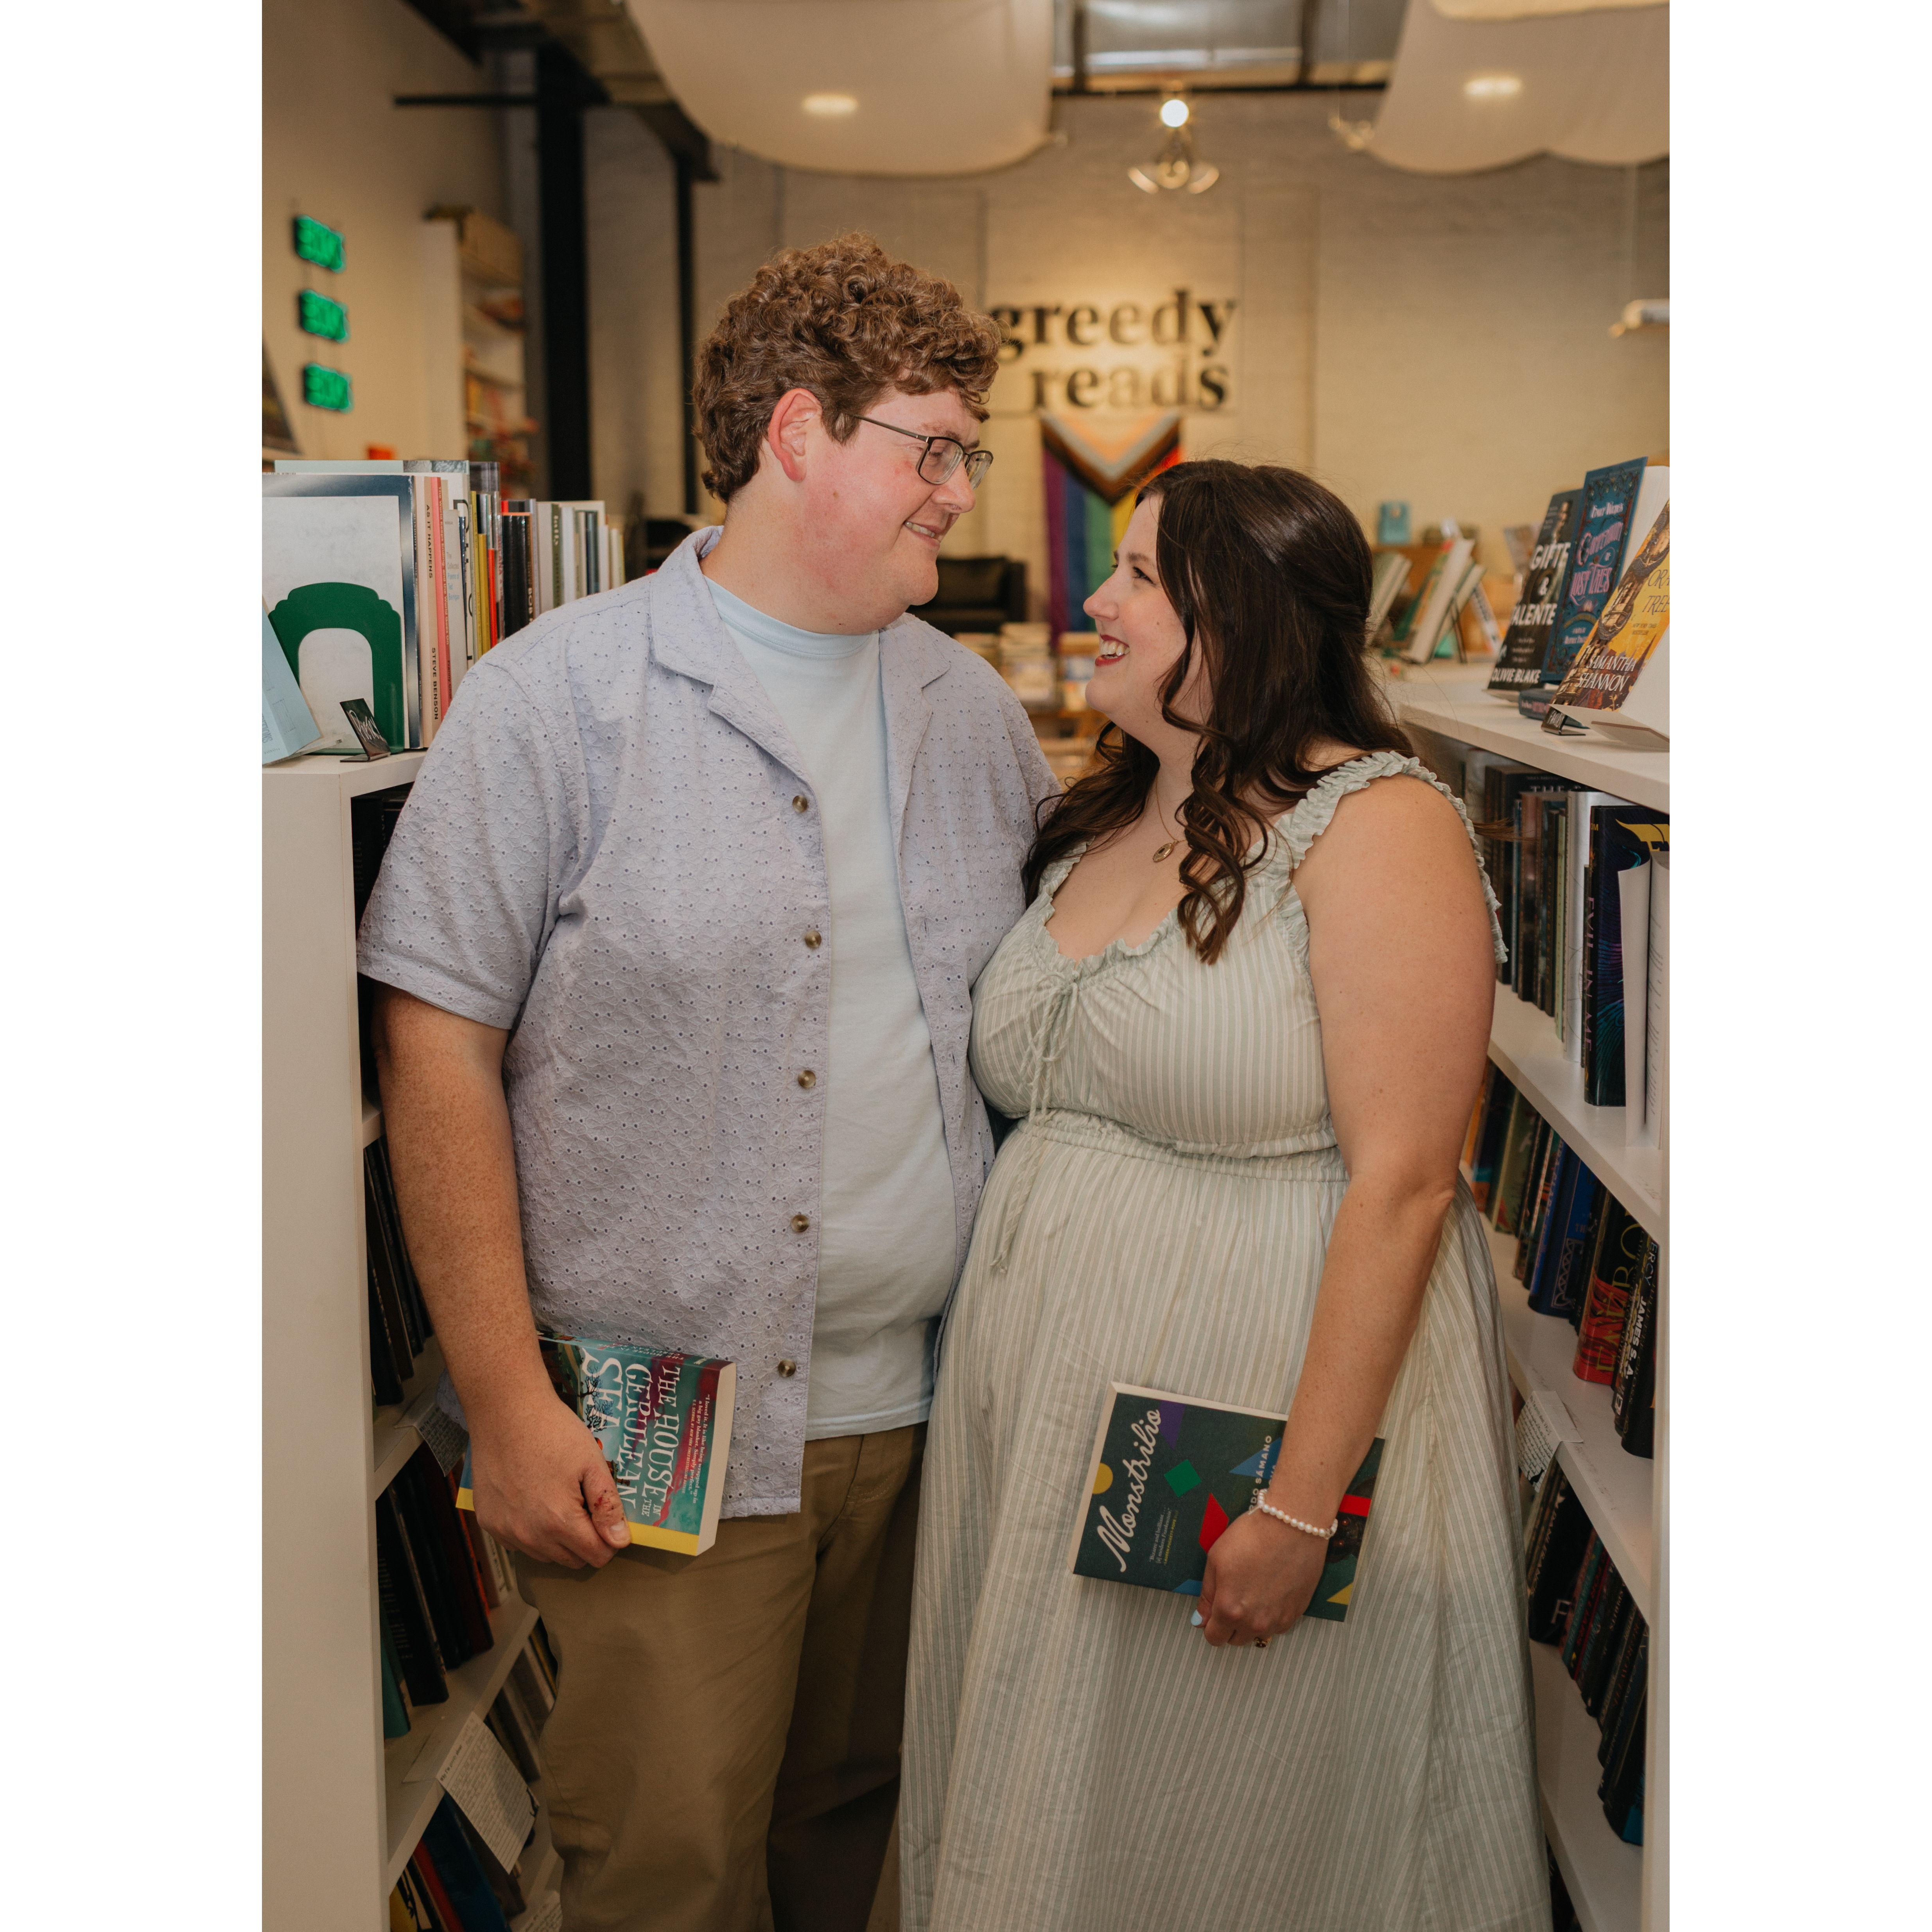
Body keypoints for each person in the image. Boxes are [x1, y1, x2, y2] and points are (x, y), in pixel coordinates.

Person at [358, 234, 1058, 1932]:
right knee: (664, 1868)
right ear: (800, 432)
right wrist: (504, 1394)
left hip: (933, 1412)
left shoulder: (971, 714)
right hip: (658, 1427)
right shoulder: (557, 699)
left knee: (857, 1843)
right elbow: (437, 1042)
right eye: (936, 448)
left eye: (971, 452)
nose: (960, 491)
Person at [900, 461, 1548, 1931]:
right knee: (1058, 1802)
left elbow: (1406, 1184)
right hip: (1046, 1411)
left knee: (1232, 1815)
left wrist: (1299, 1511)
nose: (1096, 600)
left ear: (1242, 612)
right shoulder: (1115, 811)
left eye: (1140, 576)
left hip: (1247, 1412)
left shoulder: (1378, 825)